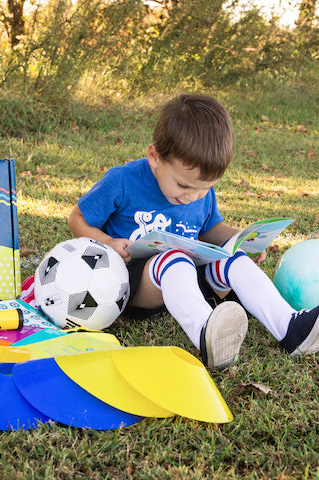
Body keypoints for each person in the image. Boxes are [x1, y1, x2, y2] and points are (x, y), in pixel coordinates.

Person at [68, 94, 319, 370]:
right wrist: (108, 242)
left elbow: (211, 229)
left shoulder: (201, 195)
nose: (193, 196)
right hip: (132, 282)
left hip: (188, 281)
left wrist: (242, 240)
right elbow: (77, 218)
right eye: (183, 186)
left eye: (204, 188)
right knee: (174, 259)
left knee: (232, 259)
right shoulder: (123, 181)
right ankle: (206, 335)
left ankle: (290, 327)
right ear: (154, 158)